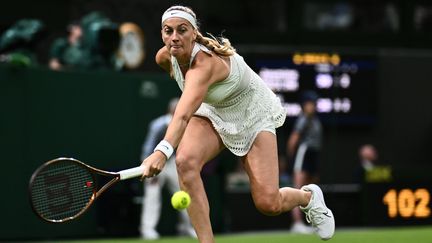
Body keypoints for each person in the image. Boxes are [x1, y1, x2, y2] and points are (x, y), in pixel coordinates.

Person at [140, 5, 335, 242]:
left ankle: (308, 198)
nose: (174, 37)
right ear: (162, 34)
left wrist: (161, 152)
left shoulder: (204, 64)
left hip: (252, 112)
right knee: (185, 162)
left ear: (194, 33)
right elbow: (184, 98)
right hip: (213, 110)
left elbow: (181, 116)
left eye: (182, 30)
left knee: (268, 203)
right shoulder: (164, 58)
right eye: (168, 31)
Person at [139, 97, 196, 240]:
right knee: (152, 197)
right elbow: (148, 145)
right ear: (171, 110)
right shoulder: (158, 124)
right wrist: (146, 165)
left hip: (173, 164)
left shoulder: (187, 124)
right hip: (154, 163)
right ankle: (148, 230)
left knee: (184, 194)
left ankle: (188, 228)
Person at [287, 90, 323, 234]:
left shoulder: (315, 120)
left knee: (312, 190)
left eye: (314, 103)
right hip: (304, 152)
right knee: (298, 187)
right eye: (310, 103)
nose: (313, 106)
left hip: (313, 154)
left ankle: (314, 222)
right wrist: (291, 160)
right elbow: (293, 139)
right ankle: (297, 223)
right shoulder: (303, 119)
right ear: (304, 105)